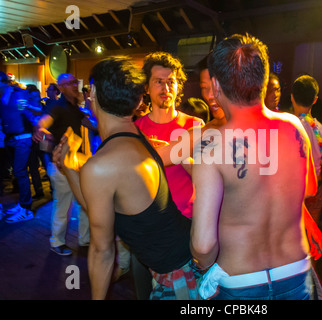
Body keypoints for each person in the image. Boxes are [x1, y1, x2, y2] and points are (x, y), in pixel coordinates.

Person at [190, 33, 322, 300]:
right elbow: (310, 188)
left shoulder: (211, 146)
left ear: (216, 86)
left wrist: (205, 270)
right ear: (263, 80)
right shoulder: (294, 127)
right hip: (296, 273)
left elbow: (203, 244)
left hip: (241, 282)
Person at [53, 56, 200, 300]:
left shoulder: (105, 163)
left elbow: (102, 251)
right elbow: (97, 205)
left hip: (179, 277)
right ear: (139, 98)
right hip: (184, 264)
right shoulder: (135, 138)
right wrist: (69, 169)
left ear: (95, 93)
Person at [134, 51, 204, 219]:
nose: (166, 88)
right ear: (147, 87)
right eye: (159, 82)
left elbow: (208, 179)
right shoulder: (135, 130)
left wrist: (177, 154)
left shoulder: (196, 126)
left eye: (171, 82)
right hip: (150, 221)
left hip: (188, 218)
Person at [33, 73, 90, 256]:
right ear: (61, 87)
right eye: (71, 83)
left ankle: (85, 241)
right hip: (61, 166)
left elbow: (88, 123)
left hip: (78, 163)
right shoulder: (57, 107)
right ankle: (57, 242)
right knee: (63, 205)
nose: (75, 85)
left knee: (84, 204)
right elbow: (42, 123)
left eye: (76, 81)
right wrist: (41, 130)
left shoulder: (75, 107)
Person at [291, 75, 322, 223]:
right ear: (315, 100)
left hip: (291, 190)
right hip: (314, 190)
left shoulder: (287, 127)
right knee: (310, 236)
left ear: (292, 97)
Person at [0, 71, 34, 223]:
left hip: (22, 139)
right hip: (11, 140)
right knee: (17, 172)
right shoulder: (3, 97)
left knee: (20, 172)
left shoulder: (18, 93)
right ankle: (22, 205)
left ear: (3, 81)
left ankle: (26, 209)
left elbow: (30, 112)